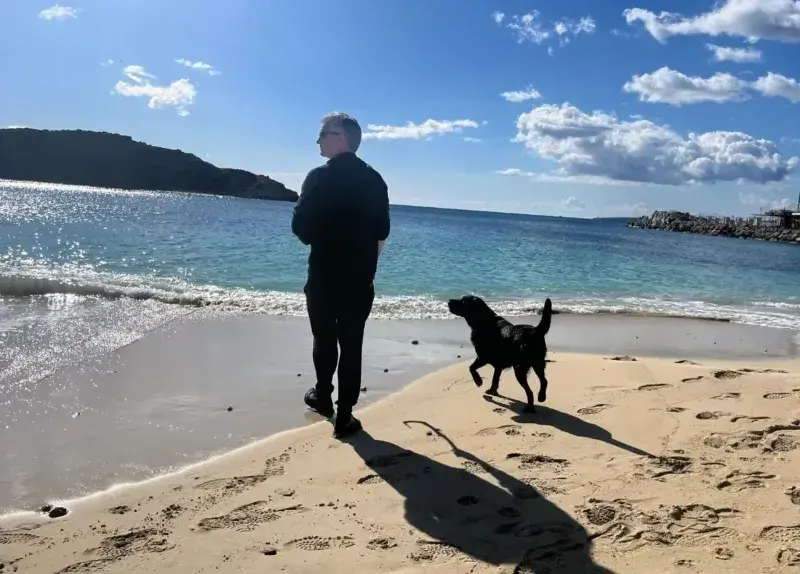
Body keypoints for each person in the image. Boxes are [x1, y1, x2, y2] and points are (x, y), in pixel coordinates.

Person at [291, 112, 390, 439]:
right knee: (352, 343)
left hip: (324, 276)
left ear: (340, 138)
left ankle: (323, 396)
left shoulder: (318, 177)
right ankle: (345, 417)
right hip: (359, 278)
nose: (318, 141)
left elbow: (301, 230)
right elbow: (382, 230)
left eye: (322, 134)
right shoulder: (375, 180)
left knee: (324, 338)